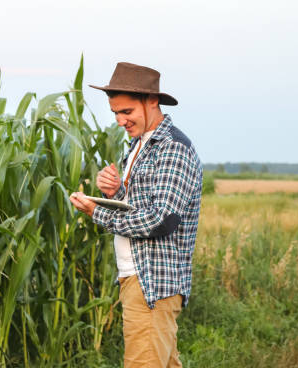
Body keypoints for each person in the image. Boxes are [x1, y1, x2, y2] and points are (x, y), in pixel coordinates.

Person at [69, 62, 202, 367]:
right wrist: (115, 193)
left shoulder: (171, 148)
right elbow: (142, 207)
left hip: (151, 282)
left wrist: (97, 213)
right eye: (115, 113)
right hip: (138, 278)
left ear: (152, 101)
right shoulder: (139, 145)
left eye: (126, 112)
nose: (120, 120)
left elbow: (162, 219)